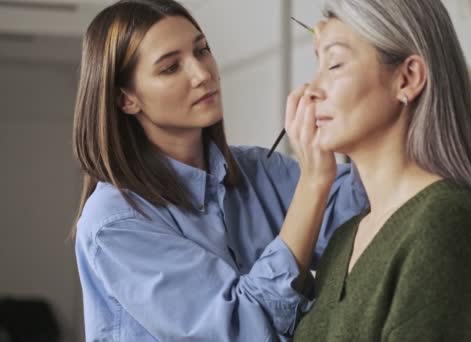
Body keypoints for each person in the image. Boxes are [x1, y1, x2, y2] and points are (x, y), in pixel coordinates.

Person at [71, 0, 367, 341]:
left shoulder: (257, 170)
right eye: (170, 68)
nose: (202, 74)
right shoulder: (115, 221)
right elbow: (240, 329)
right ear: (126, 99)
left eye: (202, 51)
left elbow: (363, 210)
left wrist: (364, 122)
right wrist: (314, 182)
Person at [293, 0, 471, 341]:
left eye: (334, 64)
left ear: (407, 78)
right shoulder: (344, 238)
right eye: (317, 64)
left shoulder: (447, 222)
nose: (311, 90)